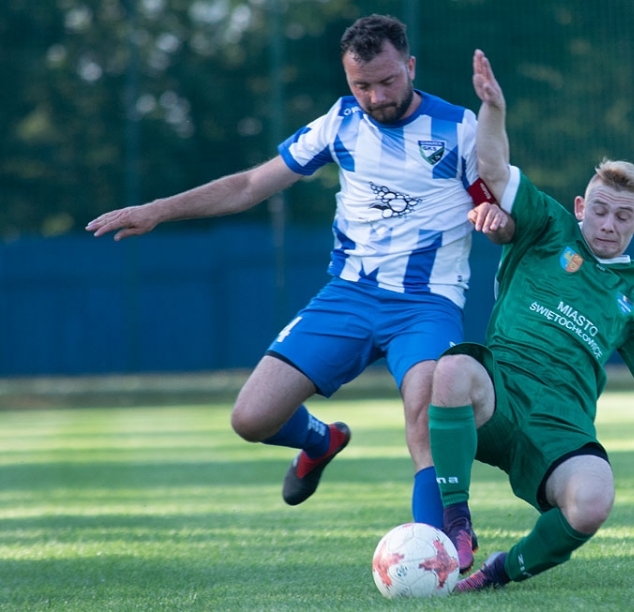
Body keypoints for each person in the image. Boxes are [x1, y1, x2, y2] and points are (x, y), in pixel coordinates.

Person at [85, 16, 511, 529]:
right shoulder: (341, 122)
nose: (375, 97)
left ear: (410, 66)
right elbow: (247, 186)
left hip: (426, 305)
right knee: (251, 419)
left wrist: (497, 220)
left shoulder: (459, 127)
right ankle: (320, 440)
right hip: (349, 296)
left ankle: (435, 549)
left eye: (387, 81)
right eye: (362, 85)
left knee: (423, 421)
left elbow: (502, 211)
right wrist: (159, 209)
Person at [427, 49, 634, 587]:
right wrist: (494, 111)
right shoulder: (547, 227)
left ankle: (495, 575)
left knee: (593, 502)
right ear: (581, 206)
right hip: (501, 395)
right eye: (600, 210)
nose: (608, 223)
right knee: (451, 371)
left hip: (561, 426)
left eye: (623, 216)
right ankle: (456, 520)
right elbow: (491, 169)